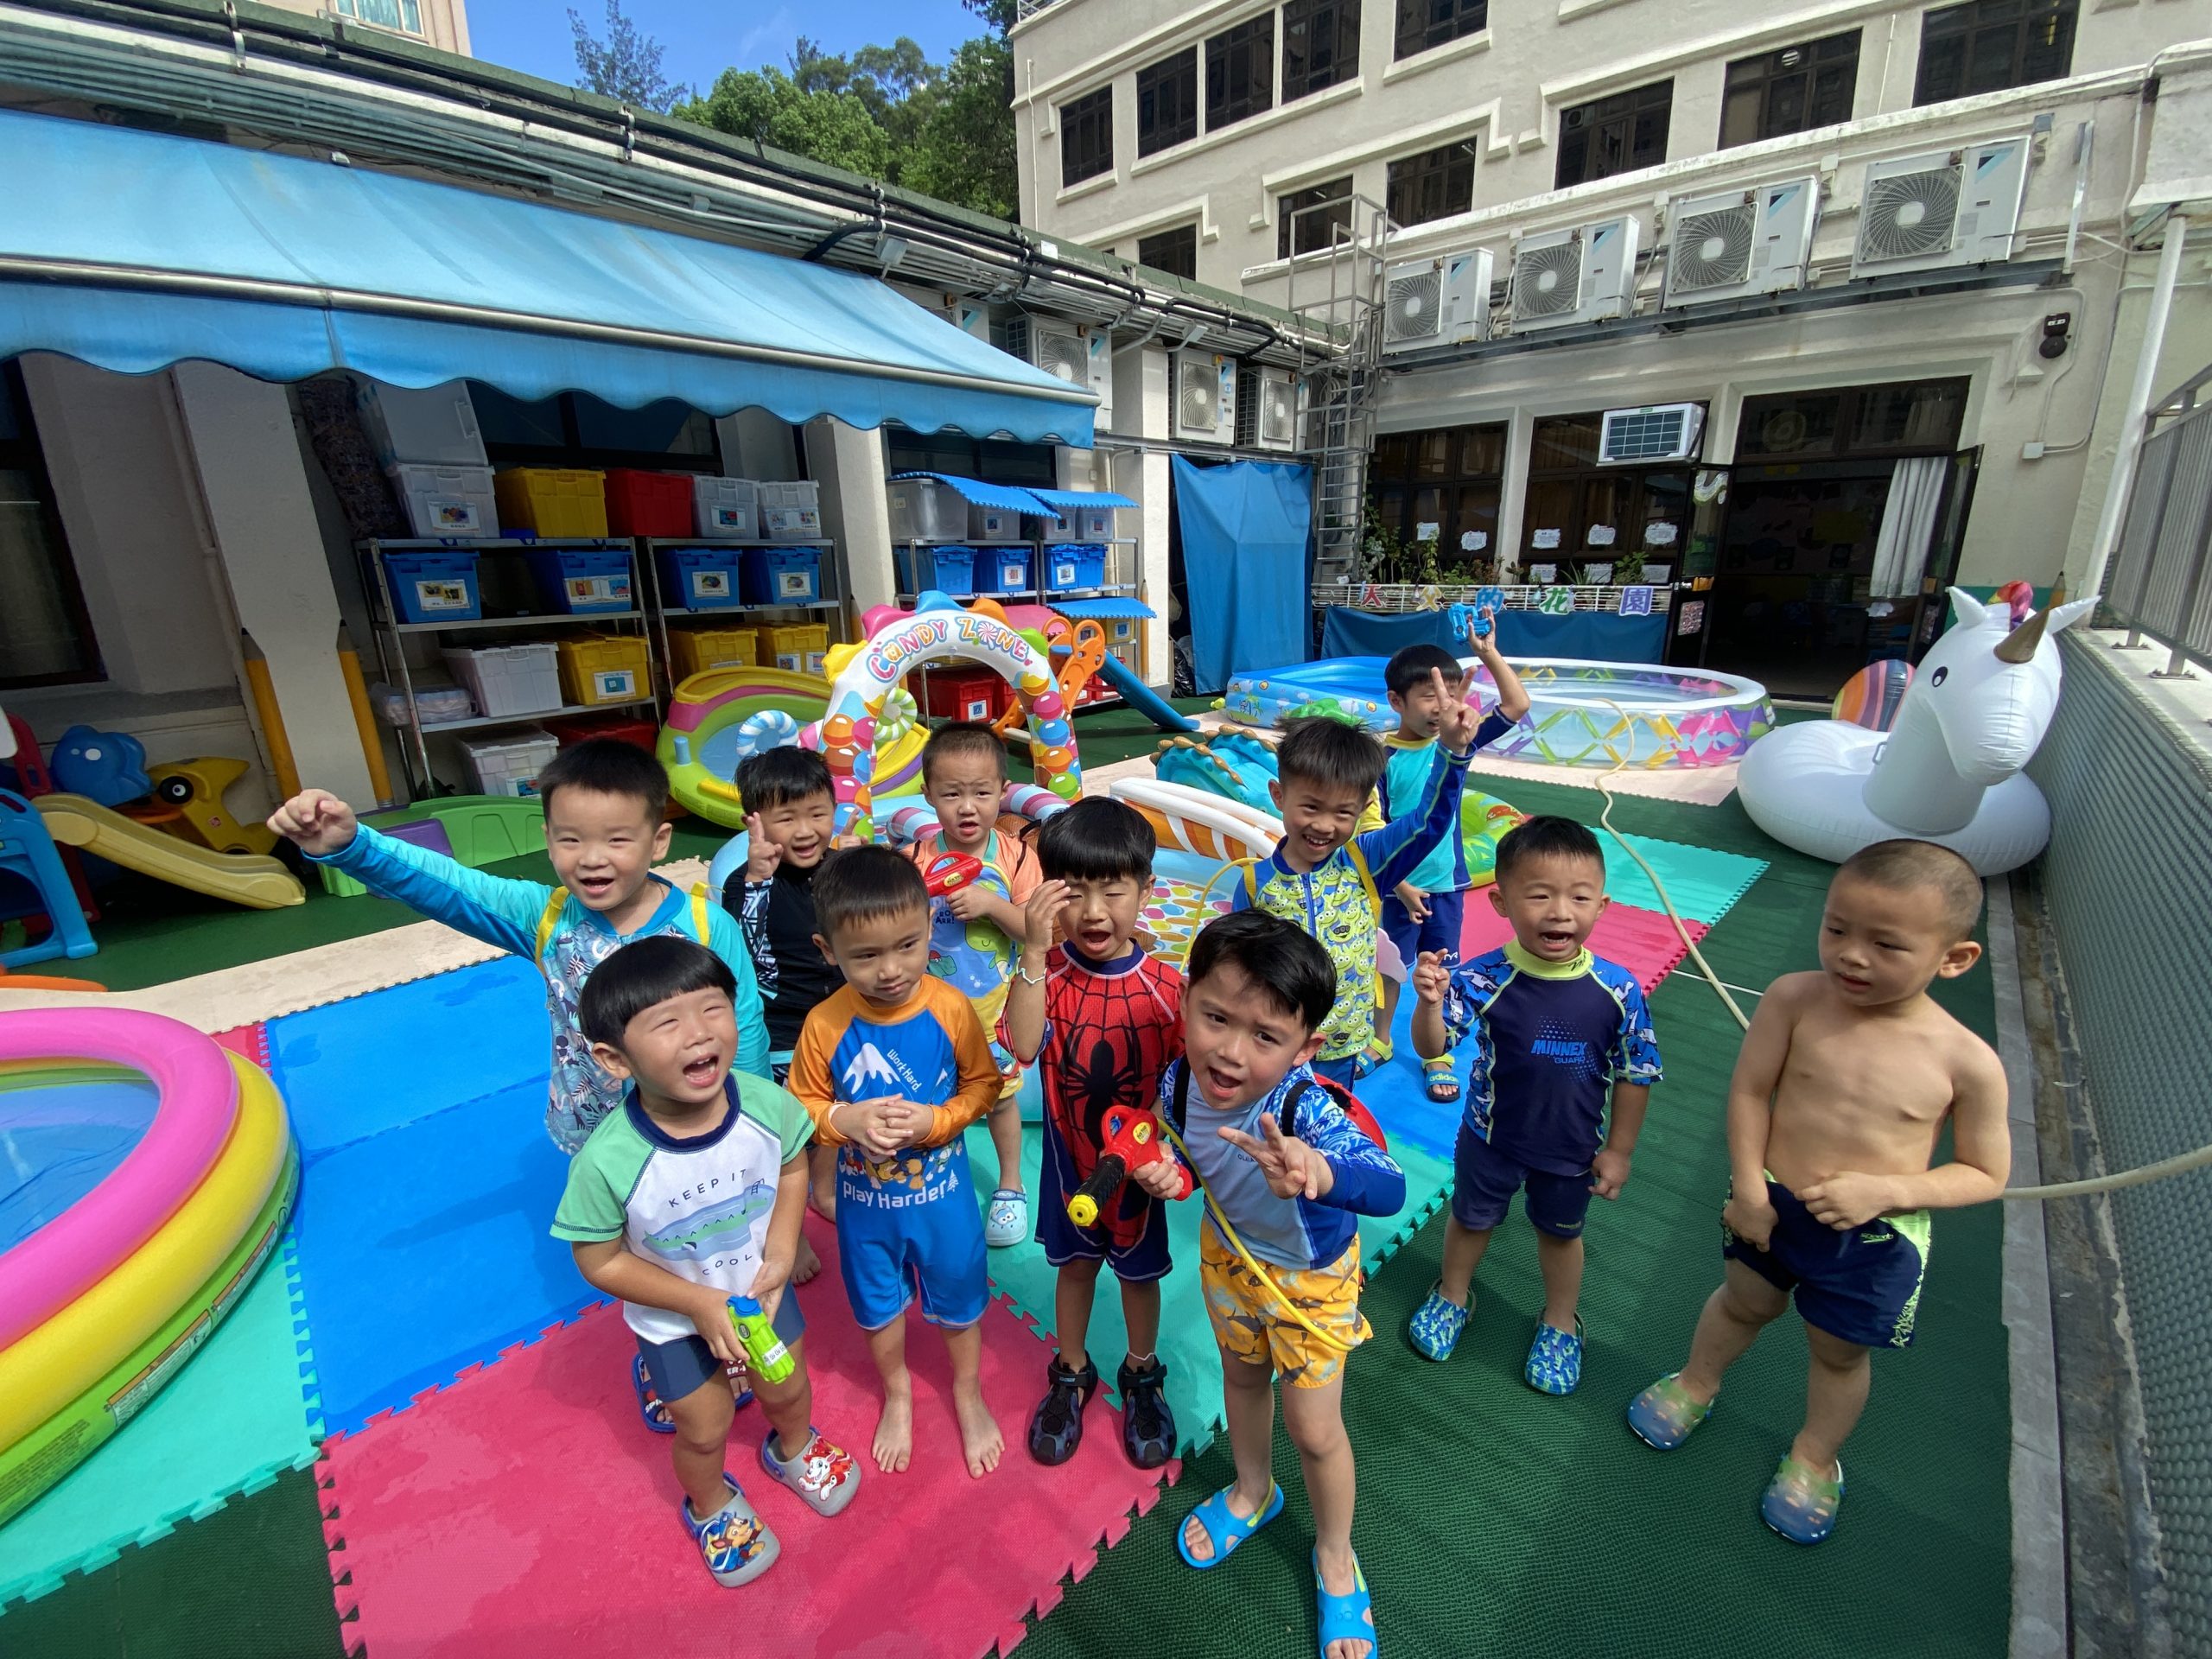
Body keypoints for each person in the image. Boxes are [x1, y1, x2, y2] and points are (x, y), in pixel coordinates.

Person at [269, 739, 772, 1433]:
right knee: (642, 1261)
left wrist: (756, 1130)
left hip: (699, 1132)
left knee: (712, 1240)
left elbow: (744, 1027)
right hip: (603, 1137)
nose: (591, 859)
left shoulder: (704, 924)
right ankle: (667, 1358)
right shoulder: (546, 917)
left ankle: (728, 1337)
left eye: (616, 839)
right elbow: (449, 886)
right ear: (547, 837)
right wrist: (353, 846)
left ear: (659, 841)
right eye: (570, 839)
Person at [1626, 838, 2007, 1546]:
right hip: (1770, 1203)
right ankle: (1697, 1381)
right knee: (1743, 1301)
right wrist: (1748, 1185)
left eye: (1886, 944)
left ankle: (1814, 1455)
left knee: (1839, 1351)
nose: (1851, 956)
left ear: (1953, 959)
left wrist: (1886, 1190)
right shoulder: (1794, 998)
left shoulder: (1968, 1062)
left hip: (1874, 1236)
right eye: (1836, 929)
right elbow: (1751, 1090)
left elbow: (1985, 1173)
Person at [552, 938, 860, 1587]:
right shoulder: (606, 1163)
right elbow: (599, 1261)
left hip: (762, 1294)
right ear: (614, 1059)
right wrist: (697, 1304)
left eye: (713, 1008)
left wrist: (782, 1252)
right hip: (676, 1323)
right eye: (667, 1022)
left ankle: (793, 1448)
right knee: (703, 1427)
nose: (699, 1033)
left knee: (789, 1388)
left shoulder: (766, 1103)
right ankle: (711, 1505)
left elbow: (792, 1165)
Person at [1156, 912, 1404, 1659]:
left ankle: (1335, 1553)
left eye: (1265, 1036)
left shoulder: (1302, 1107)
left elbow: (1389, 1184)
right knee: (1241, 1379)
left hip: (1310, 1281)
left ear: (1305, 1049)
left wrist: (1317, 1169)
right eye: (1215, 1018)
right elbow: (1194, 1158)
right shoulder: (1178, 1082)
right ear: (1186, 1001)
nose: (1231, 1052)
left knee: (1316, 1430)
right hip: (1229, 1257)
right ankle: (1253, 1490)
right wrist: (1170, 1175)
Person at [1404, 816, 1662, 1395]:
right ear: (1500, 902)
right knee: (1470, 1220)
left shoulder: (1619, 990)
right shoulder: (1482, 977)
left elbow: (1636, 1073)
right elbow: (1432, 1045)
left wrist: (1619, 1151)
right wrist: (1429, 1004)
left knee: (1561, 1235)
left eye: (1579, 897)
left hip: (1572, 1149)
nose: (1560, 913)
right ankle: (1452, 1293)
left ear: (1602, 906)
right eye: (1540, 895)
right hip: (1489, 1138)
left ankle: (1561, 1321)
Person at [786, 846, 1005, 1478]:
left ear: (929, 927)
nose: (890, 970)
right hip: (867, 1211)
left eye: (908, 946)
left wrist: (936, 1122)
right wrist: (843, 1121)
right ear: (827, 950)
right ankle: (899, 1392)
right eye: (865, 956)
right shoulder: (824, 1024)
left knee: (961, 1299)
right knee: (877, 1307)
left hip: (945, 1205)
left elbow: (984, 1086)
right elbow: (799, 1107)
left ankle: (967, 1390)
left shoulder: (950, 1008)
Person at [1001, 798, 1184, 1469]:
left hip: (1137, 1178)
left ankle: (1141, 1370)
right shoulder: (1044, 974)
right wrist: (1032, 947)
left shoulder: (1169, 989)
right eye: (1074, 893)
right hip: (1069, 1170)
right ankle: (1072, 1370)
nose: (1094, 911)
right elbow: (1024, 1046)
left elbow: (1186, 1088)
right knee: (1074, 1269)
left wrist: (1168, 1157)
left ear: (1146, 891)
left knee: (1139, 1277)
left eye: (1114, 891)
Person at [1235, 675, 1493, 1091]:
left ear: (1363, 808)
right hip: (1272, 1049)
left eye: (1343, 813)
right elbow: (1235, 967)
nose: (1324, 825)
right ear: (1279, 796)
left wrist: (1452, 752)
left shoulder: (1364, 862)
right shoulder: (1254, 882)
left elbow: (1428, 823)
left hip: (1341, 1050)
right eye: (1311, 807)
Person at [1374, 625, 1530, 1099]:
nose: (1441, 707)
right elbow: (1373, 828)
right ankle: (1379, 1038)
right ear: (1396, 701)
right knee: (1388, 967)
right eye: (1429, 696)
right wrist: (1398, 884)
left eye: (1449, 695)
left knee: (1440, 970)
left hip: (1444, 886)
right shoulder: (1381, 759)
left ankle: (1436, 1051)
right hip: (1397, 888)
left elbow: (1517, 705)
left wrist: (1488, 653)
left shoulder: (1459, 740)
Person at [904, 722, 1042, 1250]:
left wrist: (991, 905)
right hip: (930, 1013)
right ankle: (937, 1181)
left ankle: (1010, 1184)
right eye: (951, 794)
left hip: (994, 1014)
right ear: (927, 794)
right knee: (935, 1101)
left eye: (982, 793)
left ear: (1002, 791)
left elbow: (1037, 931)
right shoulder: (914, 861)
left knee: (1001, 1101)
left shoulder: (1016, 857)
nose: (968, 808)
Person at [729, 746, 848, 1226]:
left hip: (844, 1018)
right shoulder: (746, 885)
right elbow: (746, 948)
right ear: (754, 823)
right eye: (787, 818)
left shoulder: (841, 869)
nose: (805, 831)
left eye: (817, 814)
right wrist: (758, 879)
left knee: (839, 1106)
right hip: (785, 1030)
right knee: (788, 1126)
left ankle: (825, 1191)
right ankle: (786, 1213)